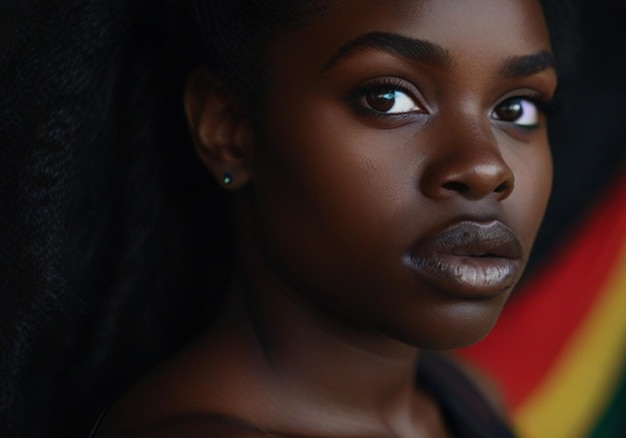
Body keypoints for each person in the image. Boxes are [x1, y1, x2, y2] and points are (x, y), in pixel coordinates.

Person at [0, 0, 569, 436]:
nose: (485, 167)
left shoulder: (464, 401)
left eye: (516, 108)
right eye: (388, 99)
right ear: (228, 131)